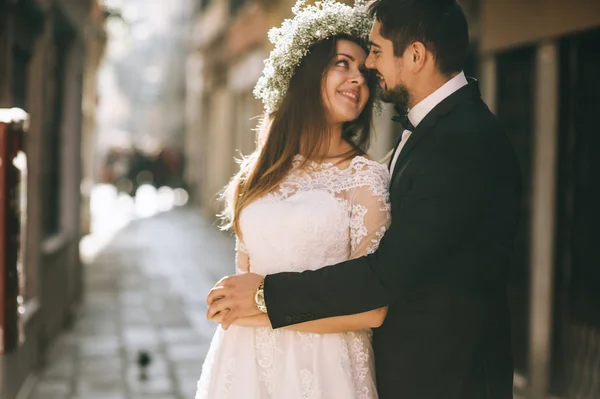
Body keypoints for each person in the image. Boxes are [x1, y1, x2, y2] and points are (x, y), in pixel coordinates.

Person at [206, 0, 523, 398]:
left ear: (416, 55)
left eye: (374, 53)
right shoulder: (433, 135)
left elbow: (383, 278)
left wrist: (262, 297)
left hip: (442, 380)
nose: (367, 70)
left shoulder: (462, 142)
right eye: (346, 62)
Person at [196, 1, 390, 398]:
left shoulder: (364, 179)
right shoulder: (257, 175)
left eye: (365, 72)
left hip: (324, 372)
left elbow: (372, 310)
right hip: (242, 368)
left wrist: (260, 312)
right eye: (343, 63)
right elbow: (241, 283)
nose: (358, 79)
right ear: (306, 70)